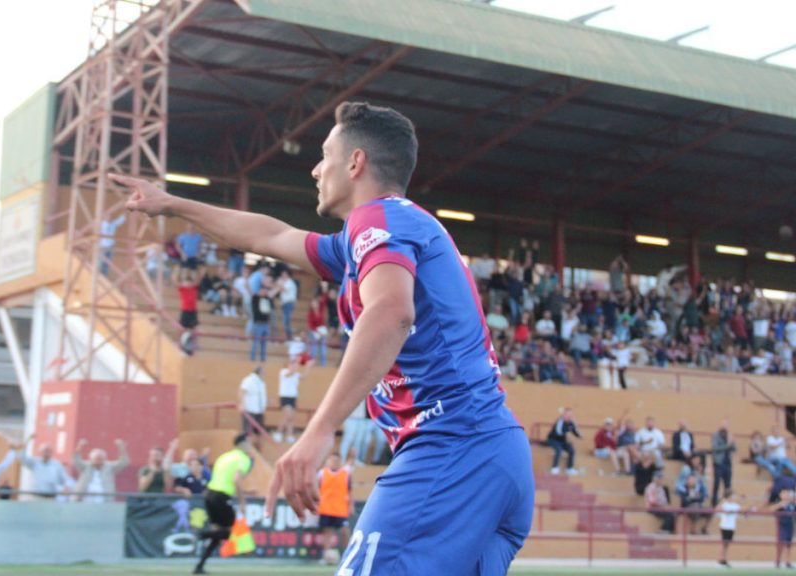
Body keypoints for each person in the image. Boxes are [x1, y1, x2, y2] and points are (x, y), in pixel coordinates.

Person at [114, 101, 532, 574]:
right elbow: (270, 237)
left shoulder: (376, 219)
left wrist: (317, 432)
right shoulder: (379, 235)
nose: (315, 169)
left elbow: (392, 312)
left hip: (453, 447)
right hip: (490, 452)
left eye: (325, 154)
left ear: (355, 163)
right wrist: (172, 204)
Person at [194, 434, 253, 575]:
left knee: (217, 534)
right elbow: (236, 480)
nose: (251, 447)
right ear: (242, 444)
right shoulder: (243, 459)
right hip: (221, 496)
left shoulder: (224, 456)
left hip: (209, 495)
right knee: (232, 533)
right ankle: (202, 534)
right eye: (249, 443)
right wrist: (243, 502)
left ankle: (199, 566)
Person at [317, 453, 354, 566]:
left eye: (336, 460)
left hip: (340, 508)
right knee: (327, 532)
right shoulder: (322, 473)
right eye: (332, 460)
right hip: (326, 508)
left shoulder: (345, 473)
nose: (334, 462)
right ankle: (326, 556)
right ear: (328, 461)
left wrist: (351, 505)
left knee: (345, 531)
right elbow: (317, 488)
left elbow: (350, 490)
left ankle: (349, 555)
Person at [72, 438, 129, 503]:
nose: (99, 461)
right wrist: (79, 447)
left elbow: (123, 462)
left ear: (104, 459)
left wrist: (121, 448)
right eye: (96, 459)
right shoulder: (86, 467)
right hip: (85, 498)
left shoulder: (109, 467)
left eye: (101, 459)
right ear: (91, 459)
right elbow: (76, 460)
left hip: (104, 499)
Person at [278, 357, 309, 443]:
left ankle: (289, 435)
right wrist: (295, 367)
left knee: (292, 418)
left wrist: (308, 366)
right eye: (293, 364)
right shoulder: (283, 372)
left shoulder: (296, 374)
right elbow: (289, 374)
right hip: (285, 397)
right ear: (289, 365)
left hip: (293, 397)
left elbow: (304, 377)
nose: (295, 366)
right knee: (288, 416)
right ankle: (279, 432)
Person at [547, 408, 581, 475]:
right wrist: (566, 434)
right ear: (563, 415)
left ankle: (569, 468)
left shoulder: (571, 423)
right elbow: (558, 432)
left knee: (571, 450)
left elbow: (575, 432)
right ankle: (554, 468)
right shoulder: (559, 421)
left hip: (563, 441)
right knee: (559, 450)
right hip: (553, 439)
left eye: (569, 415)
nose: (568, 416)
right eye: (566, 414)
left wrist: (580, 435)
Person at [710, 420, 736, 506]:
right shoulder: (715, 435)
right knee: (716, 483)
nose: (725, 427)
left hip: (728, 463)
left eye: (726, 425)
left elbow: (734, 449)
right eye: (723, 425)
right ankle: (714, 503)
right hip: (719, 462)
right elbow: (715, 448)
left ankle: (727, 503)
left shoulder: (729, 436)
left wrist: (732, 442)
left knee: (728, 485)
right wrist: (727, 445)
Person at [715, 489, 743, 568]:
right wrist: (723, 501)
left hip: (731, 527)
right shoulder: (725, 504)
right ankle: (720, 560)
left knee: (727, 544)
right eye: (732, 495)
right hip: (725, 526)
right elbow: (717, 509)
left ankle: (724, 559)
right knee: (724, 543)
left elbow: (741, 510)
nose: (734, 497)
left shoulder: (735, 505)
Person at [770, 489, 796, 569]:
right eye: (784, 494)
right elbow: (771, 509)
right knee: (781, 544)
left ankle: (788, 562)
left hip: (790, 525)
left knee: (788, 544)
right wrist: (780, 505)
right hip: (782, 526)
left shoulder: (791, 504)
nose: (786, 496)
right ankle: (778, 561)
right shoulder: (779, 504)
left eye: (787, 494)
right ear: (780, 495)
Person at [238, 366, 267, 439]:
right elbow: (242, 391)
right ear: (259, 373)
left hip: (259, 412)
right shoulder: (249, 380)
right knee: (247, 433)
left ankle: (257, 449)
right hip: (250, 411)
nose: (264, 375)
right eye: (263, 373)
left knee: (258, 433)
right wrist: (242, 404)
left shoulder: (261, 382)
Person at [278, 269, 298, 339]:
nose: (283, 276)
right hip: (285, 304)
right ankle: (289, 336)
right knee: (286, 321)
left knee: (286, 321)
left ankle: (289, 337)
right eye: (282, 274)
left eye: (284, 274)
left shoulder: (289, 282)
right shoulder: (286, 282)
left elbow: (284, 289)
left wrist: (280, 283)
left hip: (289, 304)